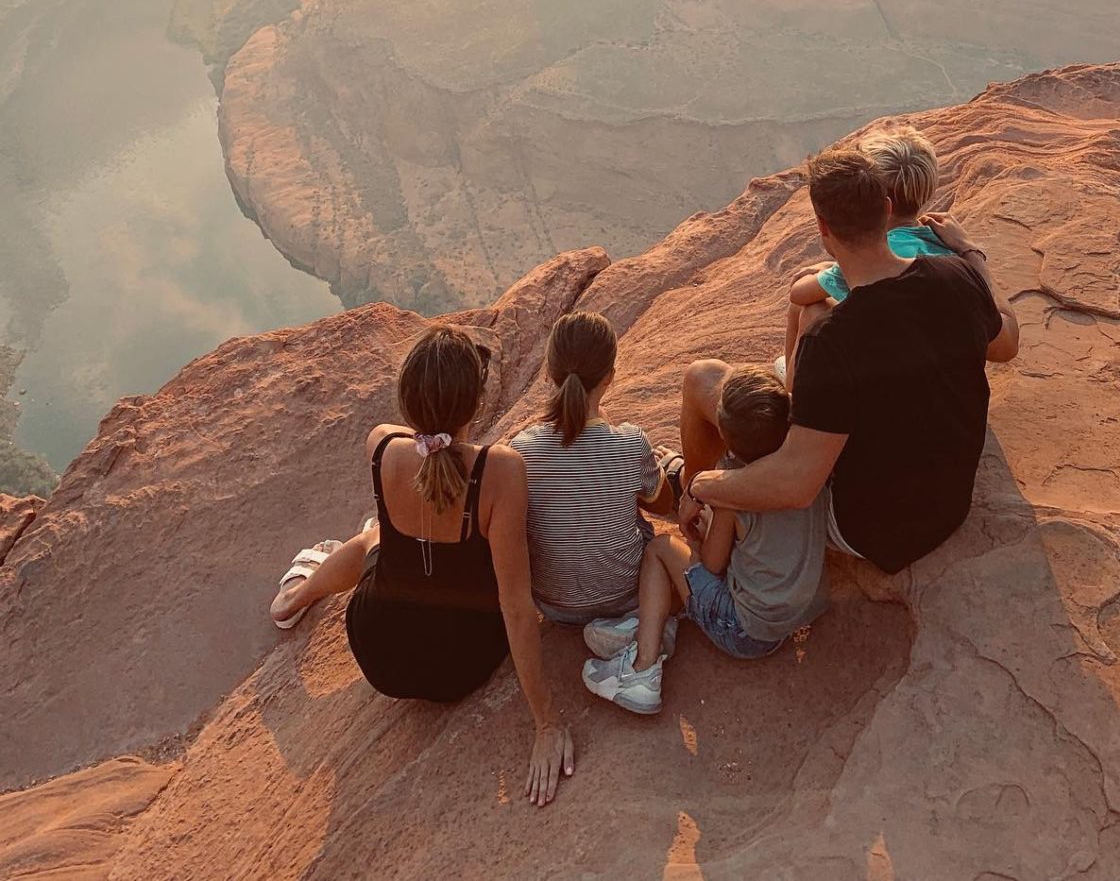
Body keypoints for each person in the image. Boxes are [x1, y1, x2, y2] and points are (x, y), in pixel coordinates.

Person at [267, 324, 573, 807]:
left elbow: (422, 455)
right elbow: (516, 608)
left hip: (379, 653)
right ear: (476, 403)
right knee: (395, 538)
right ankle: (298, 596)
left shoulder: (382, 447)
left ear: (406, 400)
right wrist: (546, 723)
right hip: (462, 665)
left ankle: (292, 600)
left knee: (374, 535)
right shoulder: (501, 471)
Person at [683, 146, 1020, 575]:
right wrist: (972, 253)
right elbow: (1007, 343)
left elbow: (796, 486)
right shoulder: (956, 276)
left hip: (867, 530)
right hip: (949, 507)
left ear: (823, 229)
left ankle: (692, 513)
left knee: (703, 378)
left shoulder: (831, 342)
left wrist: (705, 486)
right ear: (886, 209)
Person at [580, 367, 828, 714]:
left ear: (723, 437)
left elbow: (712, 564)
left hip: (749, 633)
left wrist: (694, 540)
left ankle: (642, 670)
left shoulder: (731, 489)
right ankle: (661, 624)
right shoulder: (809, 465)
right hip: (801, 609)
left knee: (660, 550)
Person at [510, 310, 679, 626]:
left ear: (549, 373)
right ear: (609, 376)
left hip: (555, 605)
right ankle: (639, 628)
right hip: (625, 596)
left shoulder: (521, 449)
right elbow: (663, 505)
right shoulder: (630, 442)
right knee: (660, 540)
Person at [783, 127, 953, 388]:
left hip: (883, 364)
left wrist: (825, 271)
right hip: (935, 360)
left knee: (811, 310)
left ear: (875, 199)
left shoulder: (879, 256)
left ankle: (793, 391)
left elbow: (799, 293)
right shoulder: (941, 240)